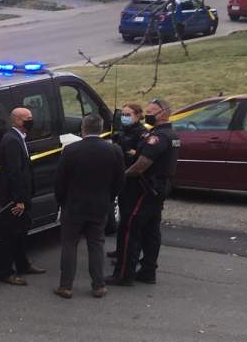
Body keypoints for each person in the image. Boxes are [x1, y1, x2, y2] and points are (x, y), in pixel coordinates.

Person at [108, 97, 180, 285]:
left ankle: (123, 274)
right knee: (151, 231)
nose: (147, 115)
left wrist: (122, 176)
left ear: (163, 114)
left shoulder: (158, 137)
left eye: (150, 112)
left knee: (129, 229)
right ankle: (148, 270)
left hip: (143, 189)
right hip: (158, 188)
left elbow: (142, 165)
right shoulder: (171, 134)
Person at [54, 113, 125, 298]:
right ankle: (98, 285)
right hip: (100, 205)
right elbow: (119, 181)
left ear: (83, 128)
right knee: (96, 245)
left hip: (74, 205)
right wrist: (109, 198)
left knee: (69, 244)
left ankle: (66, 286)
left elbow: (60, 181)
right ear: (100, 129)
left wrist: (61, 201)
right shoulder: (114, 150)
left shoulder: (71, 150)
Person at [0, 106, 46, 285]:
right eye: (28, 118)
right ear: (17, 120)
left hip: (22, 196)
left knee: (21, 233)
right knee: (10, 235)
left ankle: (23, 264)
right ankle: (6, 272)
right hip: (14, 199)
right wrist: (19, 200)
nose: (31, 121)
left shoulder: (19, 138)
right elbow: (14, 173)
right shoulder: (11, 140)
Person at [108, 103, 147, 263]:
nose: (124, 117)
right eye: (122, 114)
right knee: (123, 220)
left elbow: (141, 156)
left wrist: (132, 153)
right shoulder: (122, 131)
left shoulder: (142, 133)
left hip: (133, 181)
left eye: (128, 114)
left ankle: (130, 255)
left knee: (131, 221)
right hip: (121, 177)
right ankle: (120, 250)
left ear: (137, 115)